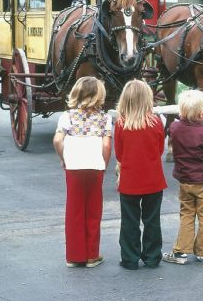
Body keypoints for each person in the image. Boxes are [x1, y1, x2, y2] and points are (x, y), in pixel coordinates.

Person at [53, 76, 112, 268]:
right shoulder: (105, 118)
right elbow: (106, 145)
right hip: (95, 165)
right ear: (99, 95)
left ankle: (74, 255)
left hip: (74, 165)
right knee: (93, 210)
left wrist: (63, 158)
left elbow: (57, 140)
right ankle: (91, 256)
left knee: (74, 209)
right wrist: (104, 163)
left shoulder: (67, 116)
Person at [163, 90, 203, 264]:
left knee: (186, 214)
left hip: (185, 180)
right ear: (202, 114)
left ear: (181, 111)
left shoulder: (174, 128)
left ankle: (180, 252)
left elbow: (174, 135)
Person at [115, 79, 167, 270]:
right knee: (152, 220)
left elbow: (119, 154)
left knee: (129, 220)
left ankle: (129, 258)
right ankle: (152, 256)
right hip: (153, 179)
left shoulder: (121, 124)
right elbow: (160, 149)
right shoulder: (157, 122)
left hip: (130, 180)